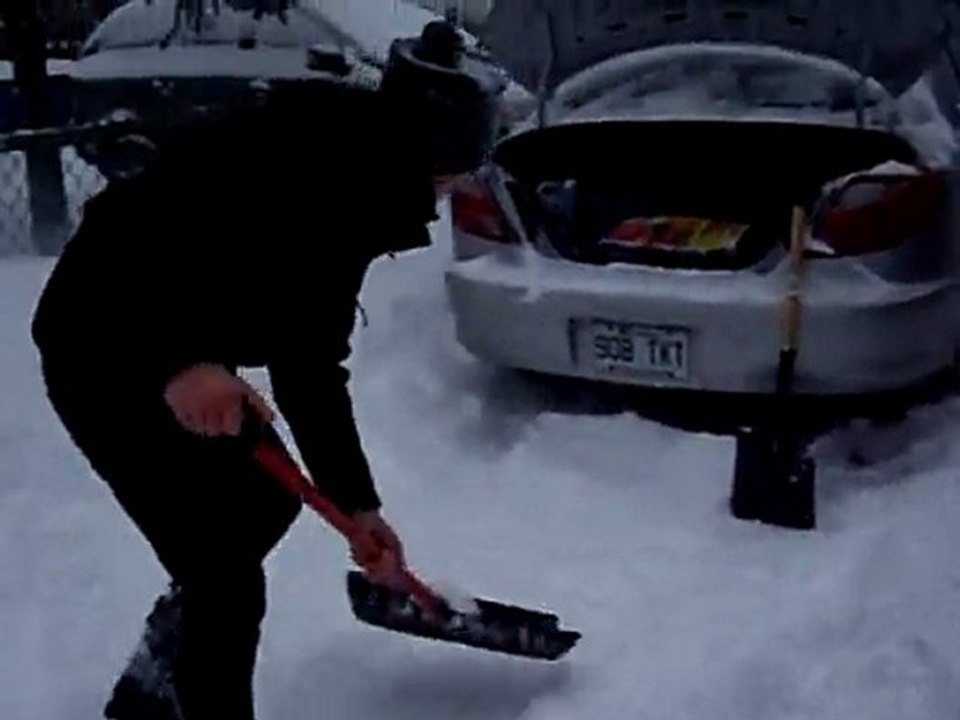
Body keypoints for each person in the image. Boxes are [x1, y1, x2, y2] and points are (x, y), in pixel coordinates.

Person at [30, 20, 499, 720]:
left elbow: (309, 362)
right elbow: (125, 245)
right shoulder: (284, 158)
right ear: (427, 146)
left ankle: (168, 665)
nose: (456, 185)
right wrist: (180, 362)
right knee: (224, 578)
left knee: (264, 499)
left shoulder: (357, 196)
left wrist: (357, 506)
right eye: (454, 170)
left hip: (187, 360)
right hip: (100, 347)